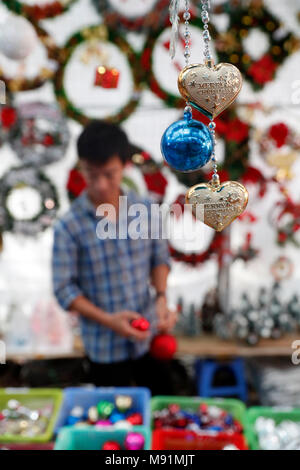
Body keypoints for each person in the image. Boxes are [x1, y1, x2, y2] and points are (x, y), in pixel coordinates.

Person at [52, 120, 178, 394]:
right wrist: (109, 320)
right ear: (81, 167)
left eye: (109, 174)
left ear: (124, 166)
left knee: (161, 405)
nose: (100, 184)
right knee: (115, 425)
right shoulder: (69, 225)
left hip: (149, 336)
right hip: (103, 346)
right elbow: (64, 289)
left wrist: (161, 298)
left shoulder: (145, 209)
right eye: (90, 173)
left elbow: (160, 258)